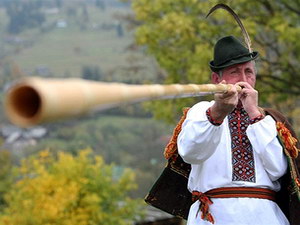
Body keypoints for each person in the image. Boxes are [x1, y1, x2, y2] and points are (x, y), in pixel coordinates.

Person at [177, 35, 296, 225]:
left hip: (265, 216)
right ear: (217, 79)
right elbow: (190, 153)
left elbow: (278, 169)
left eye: (249, 72)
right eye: (235, 72)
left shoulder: (268, 120)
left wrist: (254, 114)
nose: (243, 79)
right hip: (214, 216)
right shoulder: (201, 111)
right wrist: (217, 113)